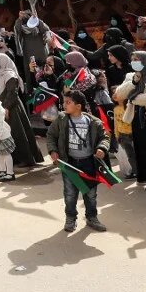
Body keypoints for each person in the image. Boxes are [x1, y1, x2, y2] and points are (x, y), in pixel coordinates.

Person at [47, 91, 110, 232]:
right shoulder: (61, 119)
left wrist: (102, 148)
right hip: (69, 163)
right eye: (64, 102)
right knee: (70, 194)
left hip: (89, 163)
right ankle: (70, 219)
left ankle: (92, 218)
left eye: (68, 102)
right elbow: (51, 135)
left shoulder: (93, 122)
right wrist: (53, 150)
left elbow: (105, 137)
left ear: (78, 106)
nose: (64, 105)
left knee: (91, 194)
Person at [0, 53, 44, 167]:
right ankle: (16, 158)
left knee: (19, 132)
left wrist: (6, 107)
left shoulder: (10, 75)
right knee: (9, 133)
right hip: (3, 106)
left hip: (13, 108)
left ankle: (27, 159)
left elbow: (12, 93)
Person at [119, 50, 146, 192]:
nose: (134, 62)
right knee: (142, 149)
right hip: (136, 118)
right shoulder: (130, 76)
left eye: (137, 59)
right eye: (132, 59)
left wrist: (133, 98)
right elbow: (120, 94)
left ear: (145, 61)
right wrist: (134, 82)